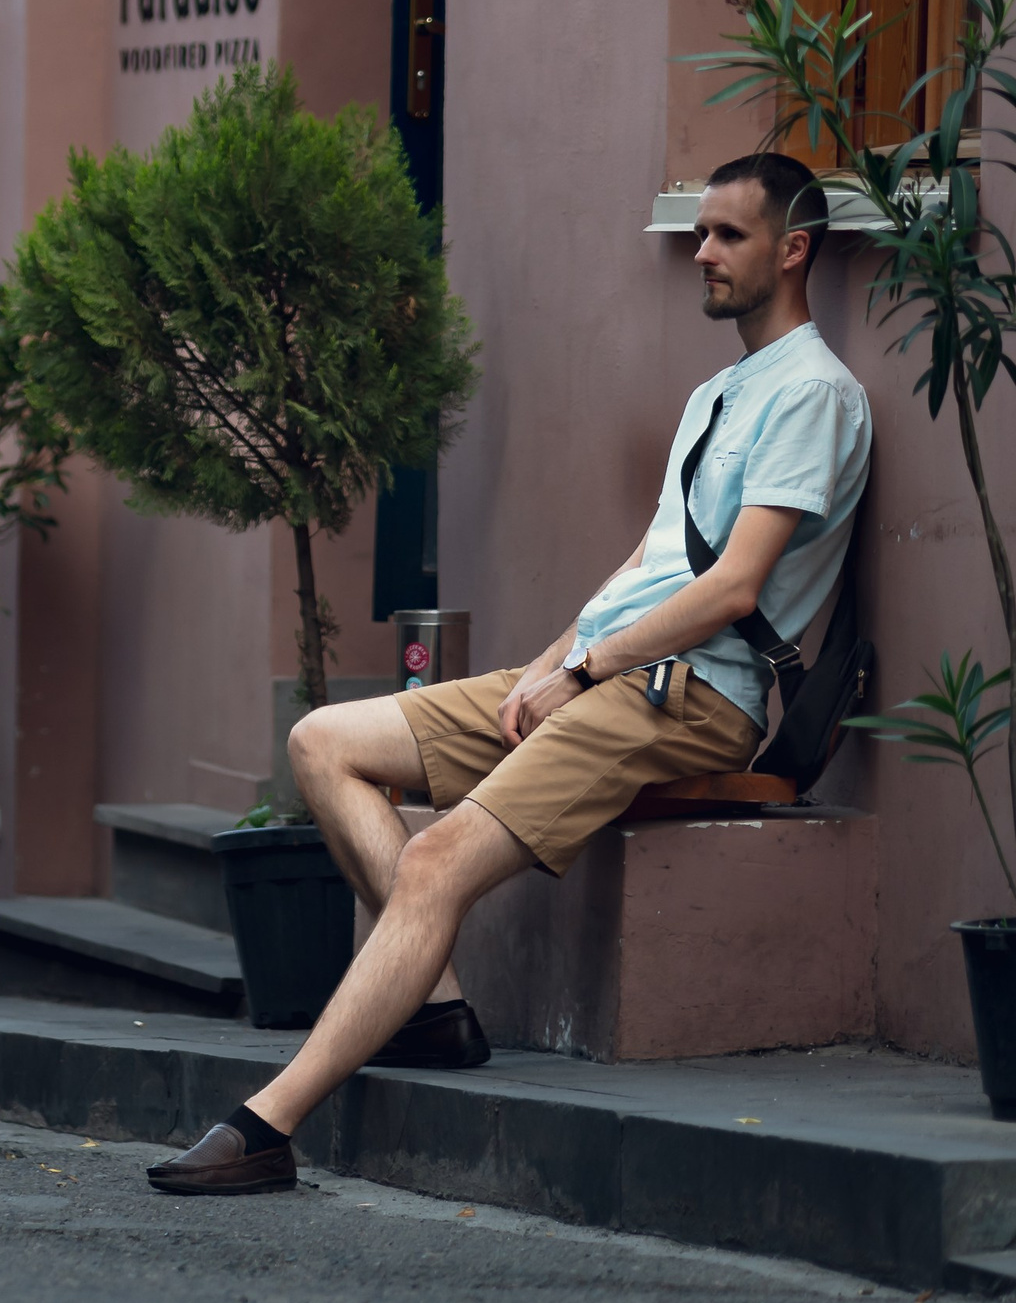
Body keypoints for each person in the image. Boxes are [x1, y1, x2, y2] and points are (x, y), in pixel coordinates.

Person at [150, 150, 871, 1196]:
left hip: (693, 694)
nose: (700, 251)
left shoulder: (812, 393)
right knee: (325, 741)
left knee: (436, 859)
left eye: (726, 234)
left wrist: (582, 675)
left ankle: (271, 1119)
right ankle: (431, 1005)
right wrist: (546, 664)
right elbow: (649, 561)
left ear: (793, 247)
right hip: (612, 669)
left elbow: (731, 590)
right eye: (700, 230)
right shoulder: (719, 390)